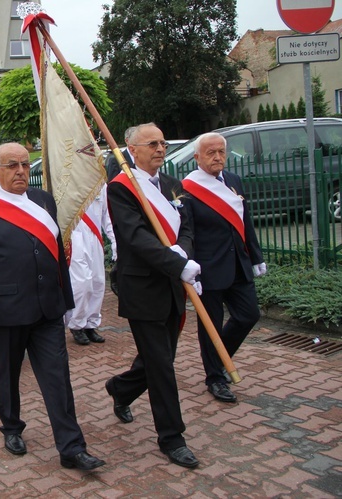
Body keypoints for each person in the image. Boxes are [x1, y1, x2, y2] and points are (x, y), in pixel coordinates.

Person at [0, 142, 105, 472]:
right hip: (3, 312)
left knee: (57, 378)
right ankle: (11, 428)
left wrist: (66, 300)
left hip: (46, 309)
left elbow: (56, 255)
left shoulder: (42, 201)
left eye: (24, 164)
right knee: (7, 375)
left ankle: (71, 447)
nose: (21, 171)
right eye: (12, 165)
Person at [104, 123, 201, 469]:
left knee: (159, 359)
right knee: (161, 366)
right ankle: (172, 438)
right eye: (152, 144)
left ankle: (121, 389)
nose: (160, 149)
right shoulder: (121, 189)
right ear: (132, 149)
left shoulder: (173, 185)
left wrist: (184, 259)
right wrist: (177, 264)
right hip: (143, 287)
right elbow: (136, 238)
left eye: (163, 143)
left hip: (174, 284)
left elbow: (186, 228)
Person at [182, 132, 266, 404]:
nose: (217, 157)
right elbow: (187, 232)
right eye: (210, 153)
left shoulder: (233, 180)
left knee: (248, 314)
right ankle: (215, 378)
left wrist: (255, 256)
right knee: (210, 327)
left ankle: (220, 359)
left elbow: (245, 221)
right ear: (197, 157)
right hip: (208, 269)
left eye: (221, 152)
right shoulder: (187, 189)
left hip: (238, 265)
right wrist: (189, 268)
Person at [66, 183, 116, 345]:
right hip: (75, 236)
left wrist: (114, 240)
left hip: (95, 238)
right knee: (82, 283)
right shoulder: (69, 181)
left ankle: (90, 324)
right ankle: (76, 324)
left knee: (98, 282)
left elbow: (106, 216)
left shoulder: (101, 185)